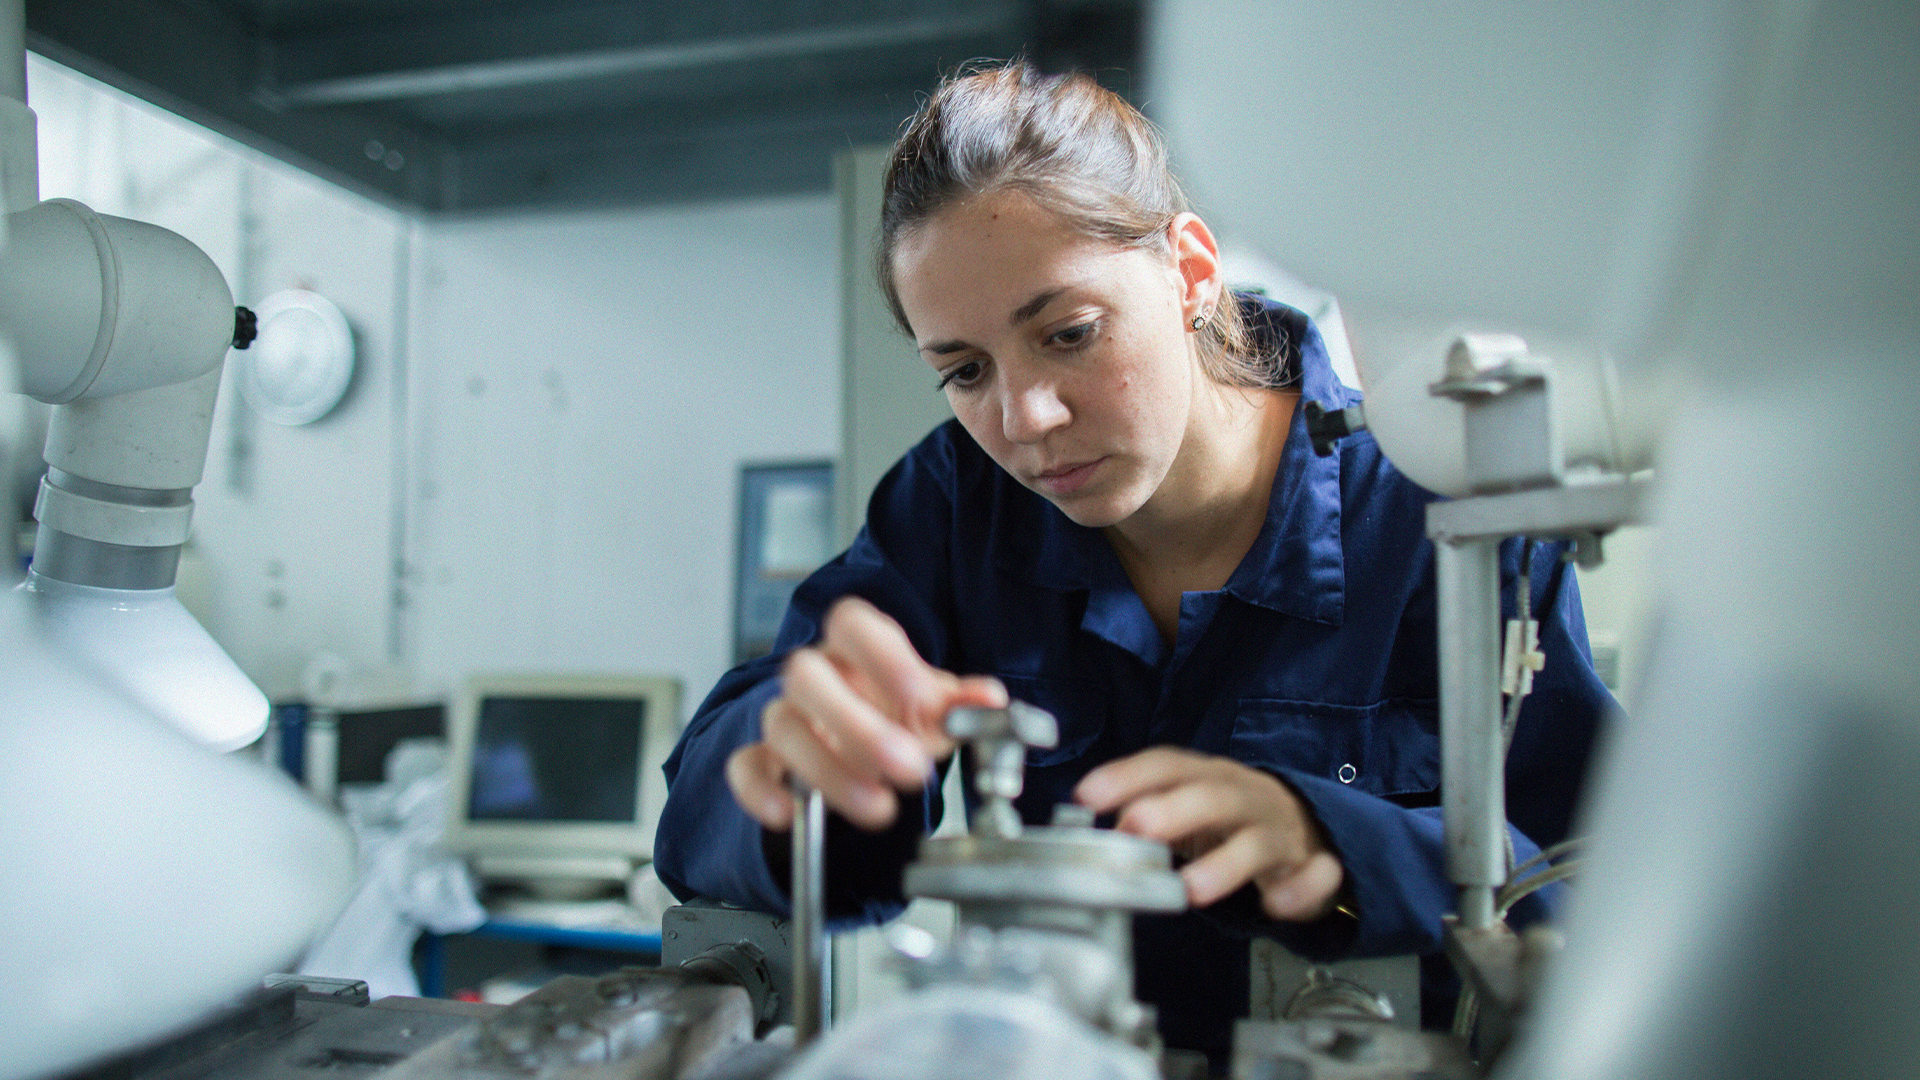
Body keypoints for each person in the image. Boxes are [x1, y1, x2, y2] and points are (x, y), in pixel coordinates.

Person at [654, 60, 1613, 1063]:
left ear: (1192, 271)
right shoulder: (955, 508)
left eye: (1068, 333)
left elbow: (1608, 887)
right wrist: (794, 772)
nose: (1026, 419)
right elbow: (702, 817)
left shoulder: (1438, 507)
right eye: (965, 372)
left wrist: (1341, 848)